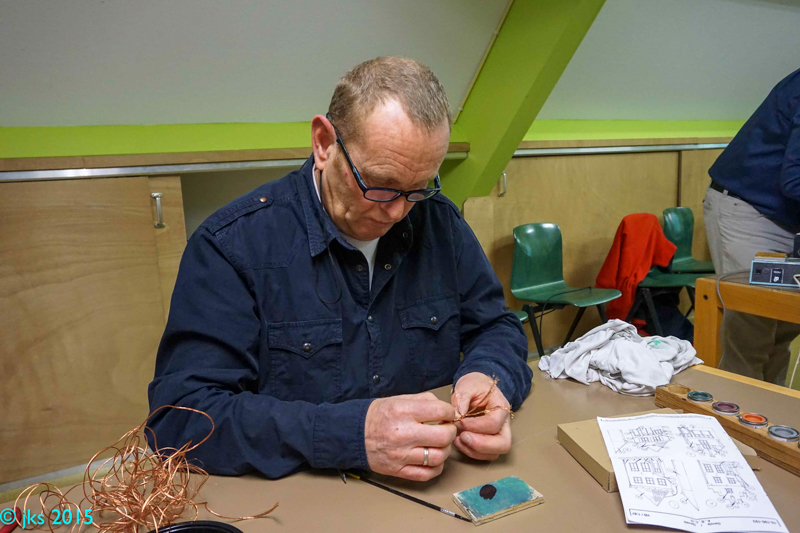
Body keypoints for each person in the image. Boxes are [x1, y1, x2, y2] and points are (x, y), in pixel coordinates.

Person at [148, 57, 532, 481]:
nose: (397, 212)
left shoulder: (439, 223)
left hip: (436, 490)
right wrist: (348, 435)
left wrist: (488, 378)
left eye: (418, 188)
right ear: (323, 143)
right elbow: (181, 418)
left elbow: (496, 326)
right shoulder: (231, 246)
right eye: (381, 185)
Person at [704, 67, 800, 385]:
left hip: (789, 217)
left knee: (782, 332)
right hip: (750, 209)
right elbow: (795, 179)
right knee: (751, 336)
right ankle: (739, 426)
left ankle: (770, 427)